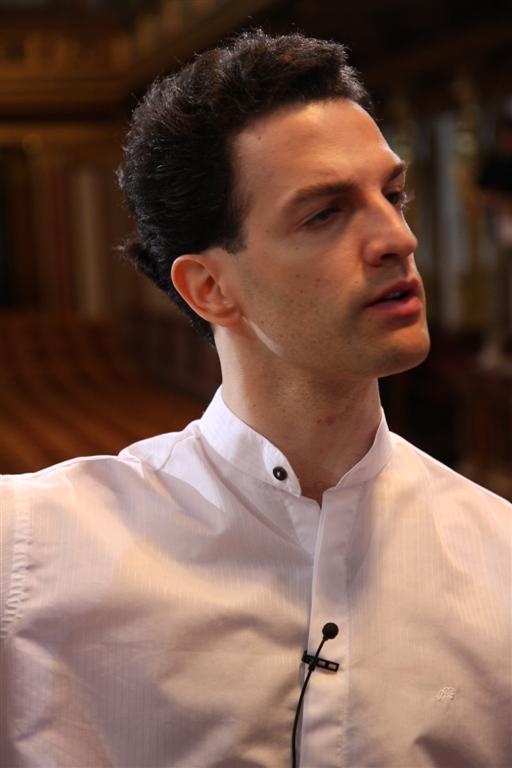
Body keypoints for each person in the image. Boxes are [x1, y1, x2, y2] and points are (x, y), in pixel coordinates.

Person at [1, 29, 510, 768]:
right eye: (325, 213)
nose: (397, 238)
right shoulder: (30, 553)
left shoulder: (499, 555)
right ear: (210, 287)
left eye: (394, 196)